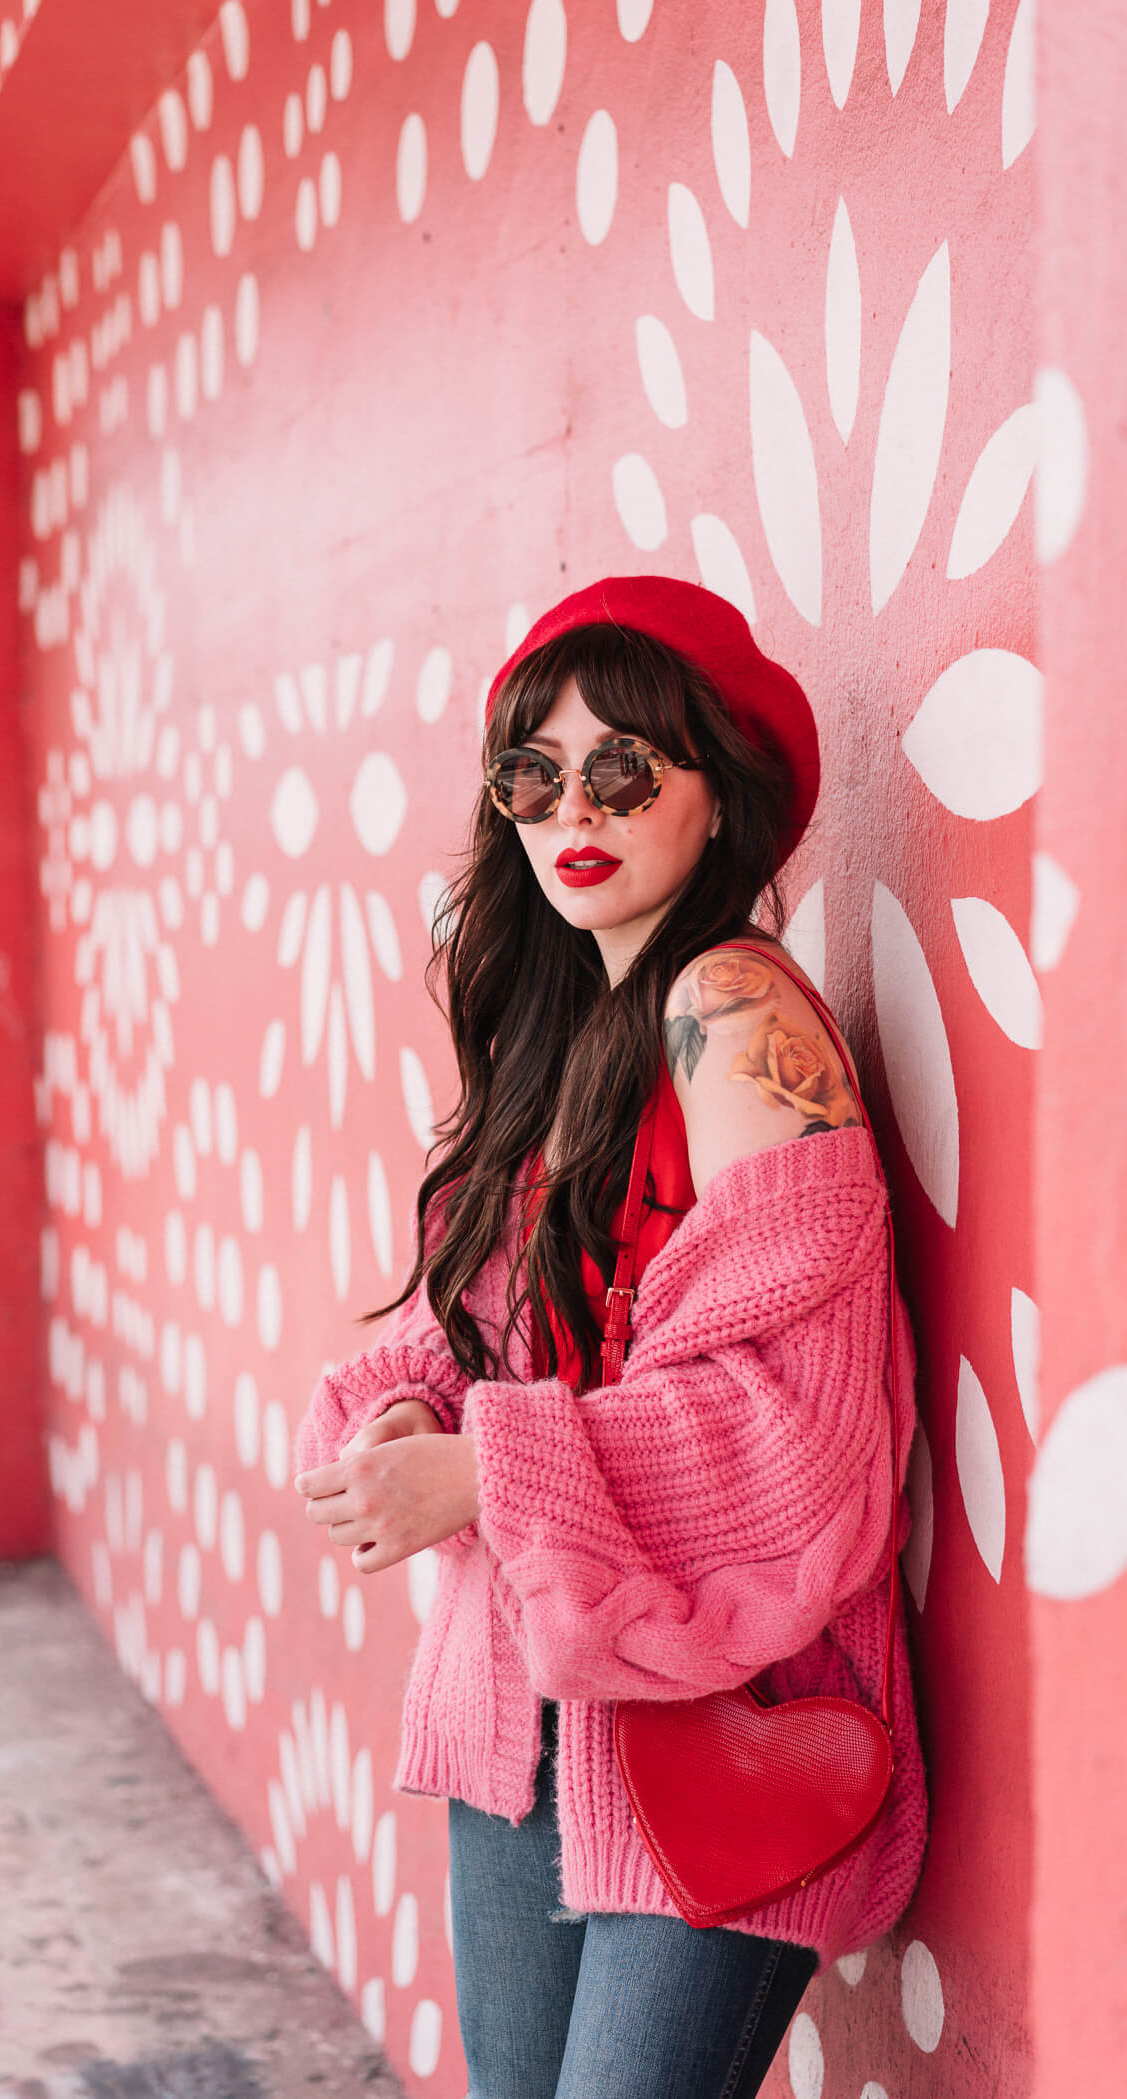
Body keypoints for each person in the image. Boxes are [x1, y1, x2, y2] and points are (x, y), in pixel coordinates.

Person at [293, 576, 928, 2099]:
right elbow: (491, 1344)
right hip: (522, 1720)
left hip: (724, 1719)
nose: (574, 804)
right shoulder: (564, 1035)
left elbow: (801, 1436)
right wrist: (397, 1424)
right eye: (534, 771)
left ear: (720, 798)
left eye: (626, 766)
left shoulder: (729, 1006)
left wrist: (482, 1479)